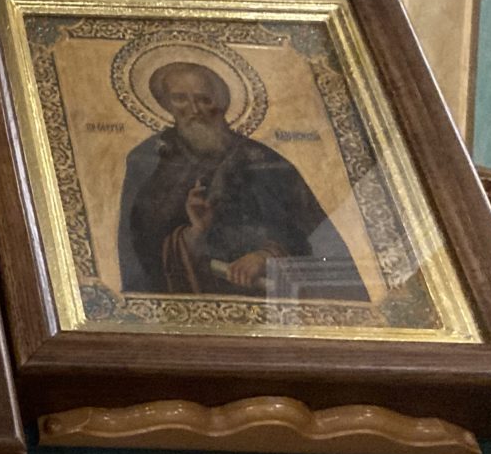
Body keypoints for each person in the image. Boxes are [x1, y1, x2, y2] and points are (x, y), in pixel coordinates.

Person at [118, 62, 366, 300]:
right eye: (180, 98)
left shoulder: (264, 161)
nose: (194, 109)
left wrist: (267, 256)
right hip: (187, 304)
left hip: (269, 300)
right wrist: (194, 233)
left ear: (222, 103)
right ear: (165, 103)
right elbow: (139, 247)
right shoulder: (147, 159)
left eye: (204, 99)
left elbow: (317, 237)